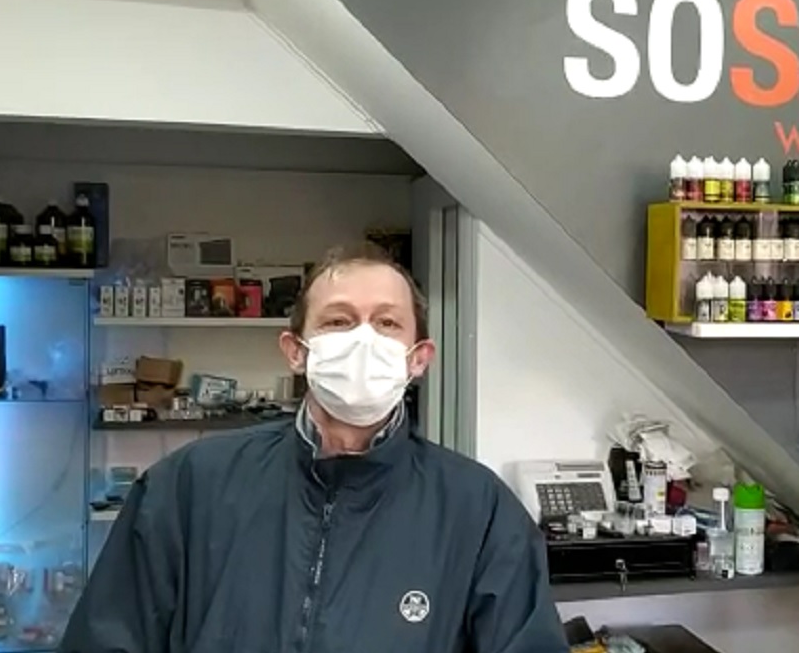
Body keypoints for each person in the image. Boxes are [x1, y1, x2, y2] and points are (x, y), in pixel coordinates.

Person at [60, 243, 568, 653]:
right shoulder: (188, 486)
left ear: (418, 359)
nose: (363, 340)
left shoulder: (479, 511)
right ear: (296, 352)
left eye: (387, 323)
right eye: (339, 321)